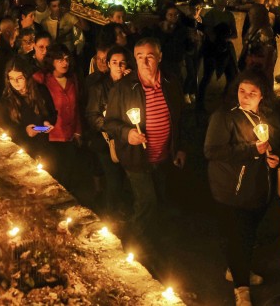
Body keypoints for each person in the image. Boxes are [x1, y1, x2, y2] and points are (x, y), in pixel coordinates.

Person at [204, 70, 280, 306]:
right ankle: (241, 288)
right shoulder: (225, 117)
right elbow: (212, 151)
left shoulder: (269, 117)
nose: (246, 96)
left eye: (253, 92)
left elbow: (278, 142)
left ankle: (237, 269)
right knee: (239, 237)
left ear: (263, 96)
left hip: (259, 189)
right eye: (242, 91)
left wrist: (275, 158)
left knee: (246, 235)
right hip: (232, 189)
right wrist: (251, 150)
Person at [104, 38, 187, 263]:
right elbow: (109, 122)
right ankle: (135, 247)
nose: (144, 61)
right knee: (146, 202)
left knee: (158, 199)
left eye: (149, 56)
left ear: (159, 57)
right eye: (139, 56)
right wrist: (126, 133)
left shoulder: (171, 82)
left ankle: (153, 240)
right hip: (136, 158)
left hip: (163, 157)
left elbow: (180, 118)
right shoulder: (124, 88)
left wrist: (179, 148)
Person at [85, 45, 130, 218]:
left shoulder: (130, 84)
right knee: (113, 177)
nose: (119, 66)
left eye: (122, 63)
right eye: (115, 62)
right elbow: (92, 115)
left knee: (124, 176)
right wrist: (111, 128)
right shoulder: (98, 88)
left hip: (126, 138)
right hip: (105, 140)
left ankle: (120, 206)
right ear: (108, 64)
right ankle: (112, 212)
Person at [32, 44, 82, 187]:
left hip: (69, 136)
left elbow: (76, 107)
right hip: (51, 137)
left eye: (66, 59)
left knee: (68, 175)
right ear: (52, 61)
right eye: (60, 60)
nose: (65, 63)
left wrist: (78, 131)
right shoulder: (42, 80)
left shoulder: (72, 80)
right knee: (53, 175)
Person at [0, 58, 57, 158]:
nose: (15, 82)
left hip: (43, 148)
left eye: (20, 78)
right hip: (19, 152)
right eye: (11, 78)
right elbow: (2, 128)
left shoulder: (41, 91)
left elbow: (52, 113)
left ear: (27, 77)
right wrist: (25, 131)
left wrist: (47, 122)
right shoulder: (6, 101)